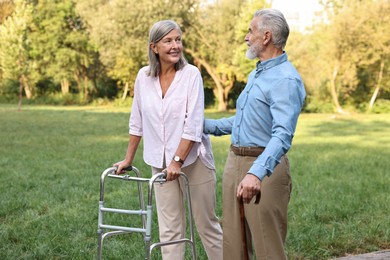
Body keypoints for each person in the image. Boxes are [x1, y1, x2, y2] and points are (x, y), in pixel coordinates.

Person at [113, 20, 222, 260]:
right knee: (169, 229)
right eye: (168, 41)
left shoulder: (191, 74)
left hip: (194, 162)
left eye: (178, 40)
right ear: (154, 47)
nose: (175, 46)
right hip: (159, 162)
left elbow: (193, 125)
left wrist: (177, 161)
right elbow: (137, 120)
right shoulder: (143, 77)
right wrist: (128, 159)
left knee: (206, 225)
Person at [204, 9, 306, 260]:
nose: (247, 37)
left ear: (267, 36)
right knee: (234, 246)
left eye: (251, 31)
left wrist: (255, 173)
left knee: (267, 247)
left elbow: (282, 135)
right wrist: (202, 125)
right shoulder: (257, 73)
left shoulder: (285, 79)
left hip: (264, 169)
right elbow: (245, 122)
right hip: (234, 163)